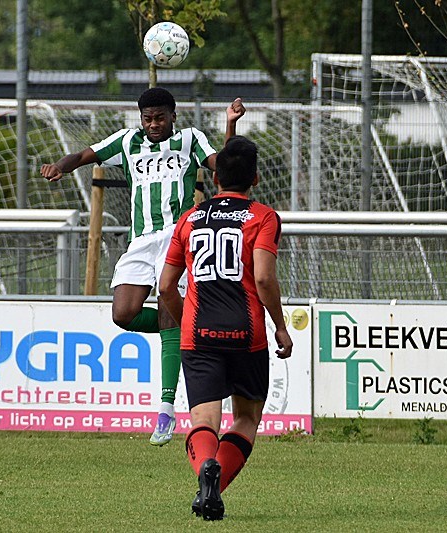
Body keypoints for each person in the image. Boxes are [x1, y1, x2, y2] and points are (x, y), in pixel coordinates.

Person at [40, 88, 245, 446]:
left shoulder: (189, 139)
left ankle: (166, 409)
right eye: (147, 118)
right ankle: (191, 328)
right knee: (124, 314)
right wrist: (60, 165)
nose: (153, 124)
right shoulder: (127, 141)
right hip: (141, 240)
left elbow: (224, 166)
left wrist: (230, 125)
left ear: (173, 116)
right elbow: (85, 155)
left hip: (179, 236)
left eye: (160, 117)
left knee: (167, 308)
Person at [158, 135, 293, 521]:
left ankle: (206, 468)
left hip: (198, 334)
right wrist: (280, 327)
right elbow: (264, 278)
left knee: (204, 420)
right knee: (246, 418)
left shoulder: (189, 218)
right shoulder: (263, 217)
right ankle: (214, 486)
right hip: (246, 335)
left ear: (215, 179)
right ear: (256, 178)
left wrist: (185, 320)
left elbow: (165, 286)